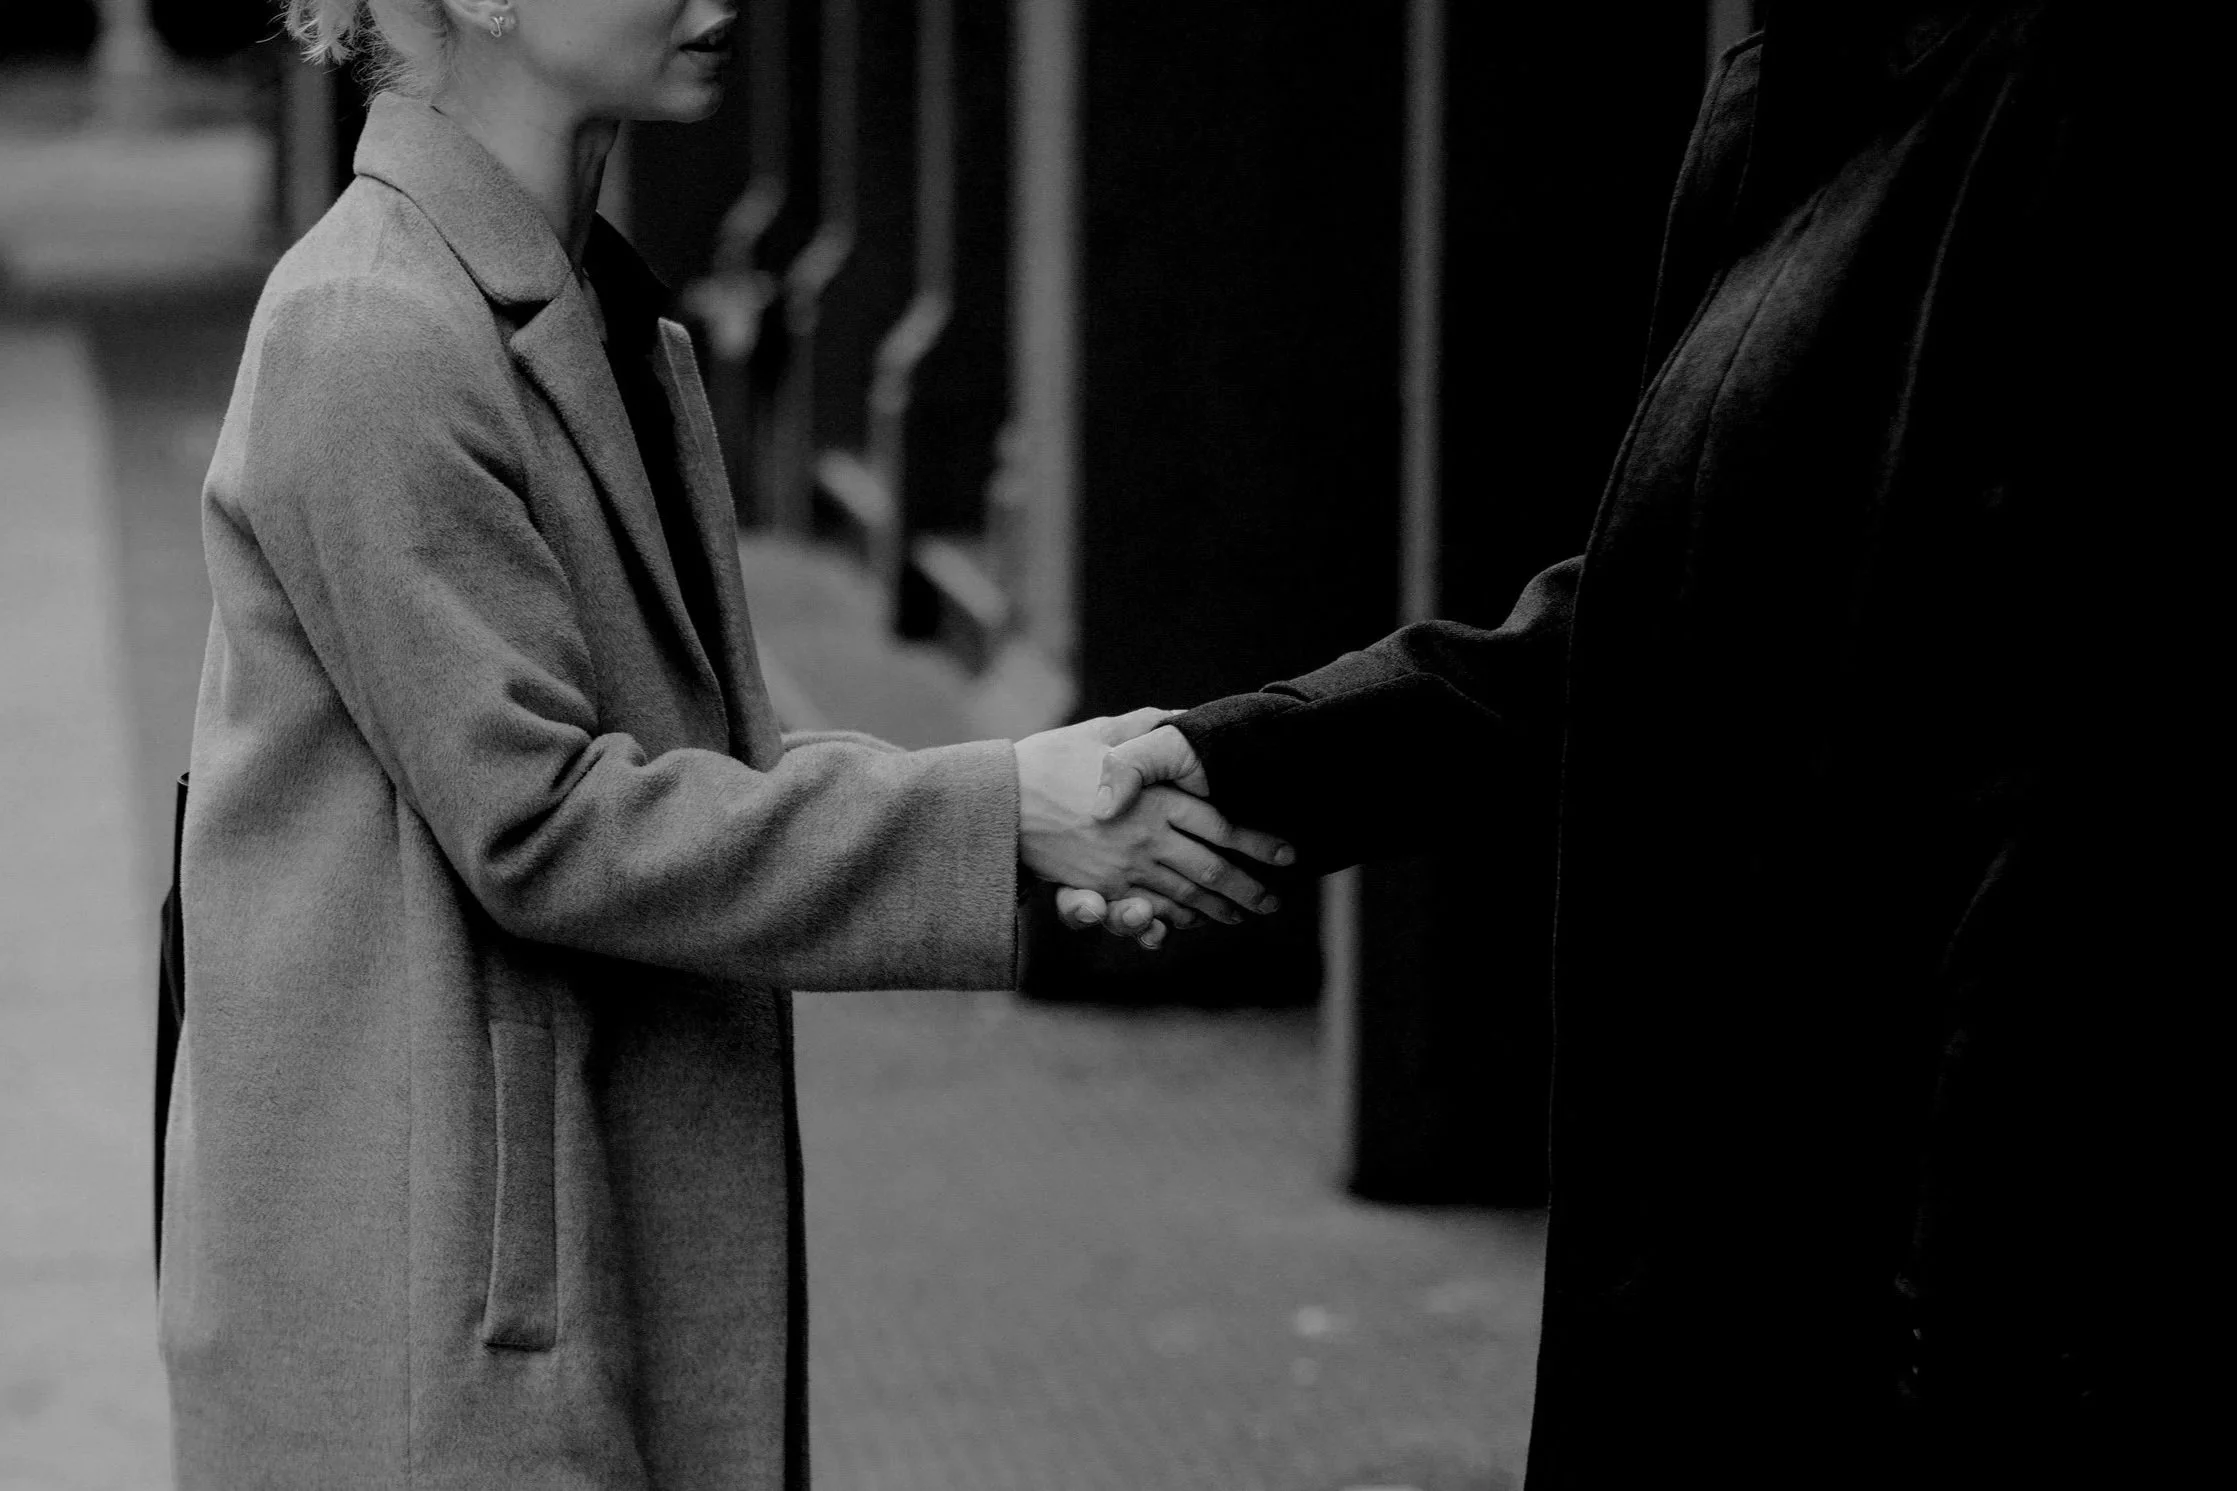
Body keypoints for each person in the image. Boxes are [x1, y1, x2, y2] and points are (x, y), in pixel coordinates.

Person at [1063, 3, 2204, 1486]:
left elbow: (2076, 792)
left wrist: (1967, 1353)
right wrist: (1249, 762)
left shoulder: (2075, 102)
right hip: (1718, 1237)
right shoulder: (1796, 81)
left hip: (1911, 1291)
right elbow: (1665, 611)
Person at [159, 2, 1290, 1486]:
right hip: (435, 1311)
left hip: (556, 1235)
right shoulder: (370, 328)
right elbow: (548, 822)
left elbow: (691, 755)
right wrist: (1003, 807)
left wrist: (1020, 808)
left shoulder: (585, 311)